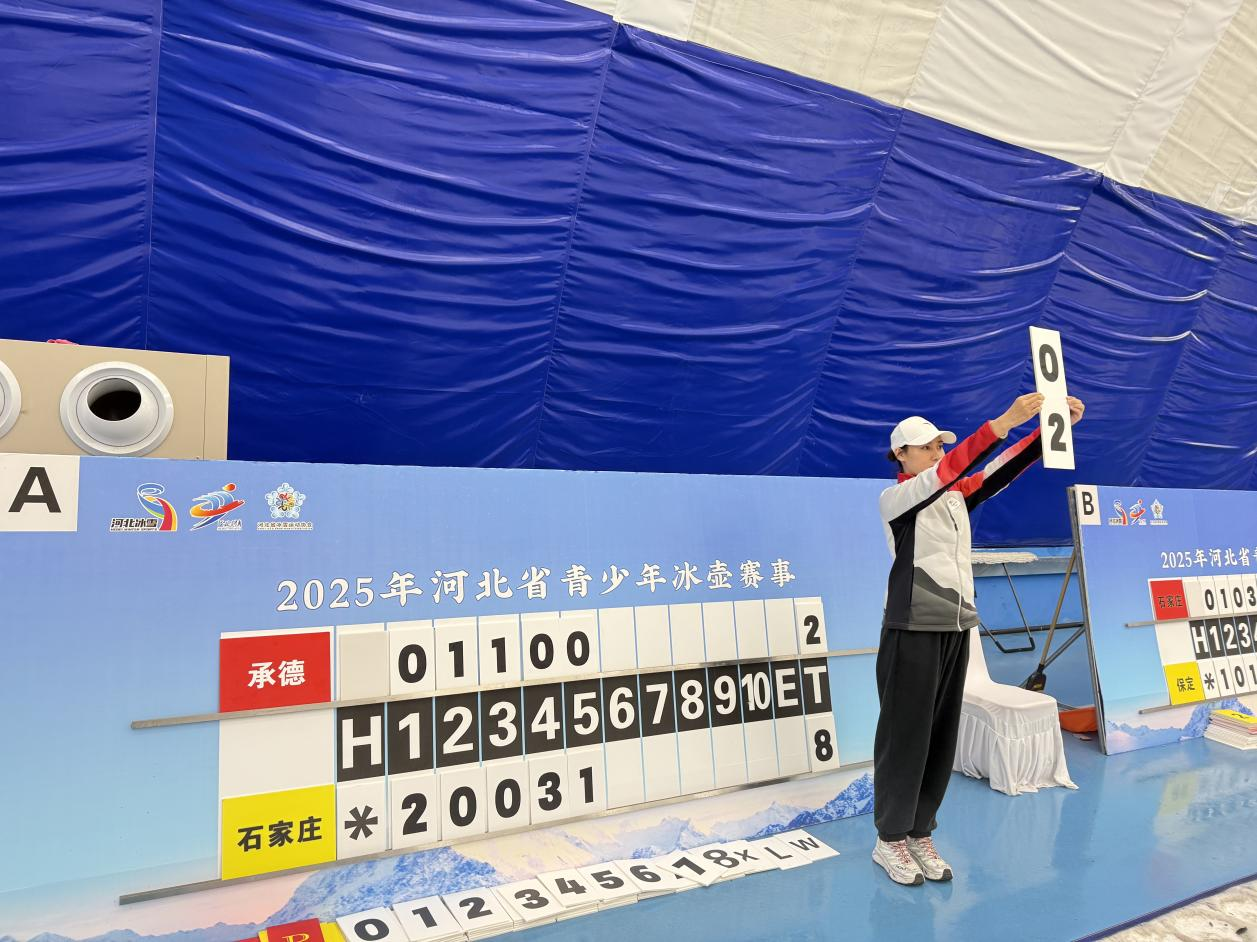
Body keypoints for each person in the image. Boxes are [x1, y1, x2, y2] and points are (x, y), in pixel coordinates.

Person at [871, 392, 1085, 886]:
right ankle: (890, 838)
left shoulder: (952, 496)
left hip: (956, 627)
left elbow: (997, 471)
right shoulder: (897, 499)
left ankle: (920, 831)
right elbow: (952, 470)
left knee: (940, 736)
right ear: (901, 455)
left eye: (939, 445)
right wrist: (1003, 421)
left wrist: (1051, 431)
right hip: (910, 629)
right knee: (905, 736)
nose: (937, 452)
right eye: (926, 447)